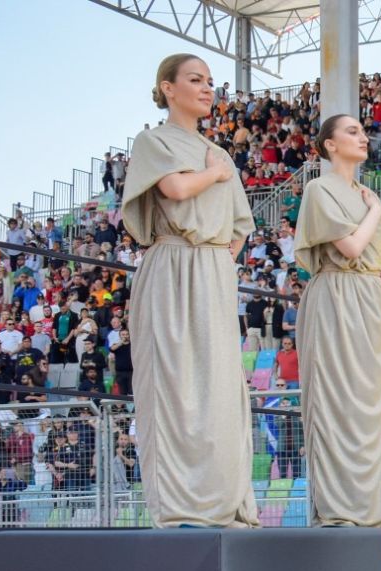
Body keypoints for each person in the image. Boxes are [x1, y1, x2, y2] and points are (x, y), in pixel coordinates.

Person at [121, 54, 259, 528]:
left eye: (210, 81)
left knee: (219, 384)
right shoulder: (154, 140)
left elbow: (240, 226)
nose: (206, 88)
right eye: (195, 79)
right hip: (172, 264)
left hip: (213, 271)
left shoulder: (218, 151)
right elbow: (176, 189)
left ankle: (224, 500)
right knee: (174, 385)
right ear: (168, 87)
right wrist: (214, 175)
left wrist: (218, 263)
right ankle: (181, 508)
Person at [296, 113, 381, 527]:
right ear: (330, 144)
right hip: (335, 295)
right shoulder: (319, 189)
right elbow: (352, 247)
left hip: (368, 302)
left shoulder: (365, 193)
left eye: (362, 131)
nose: (363, 138)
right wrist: (375, 210)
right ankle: (341, 506)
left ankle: (378, 505)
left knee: (374, 400)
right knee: (336, 398)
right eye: (352, 132)